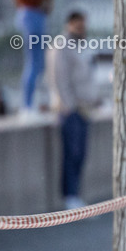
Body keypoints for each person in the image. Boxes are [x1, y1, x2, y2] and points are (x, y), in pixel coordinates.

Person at [7, 0, 77, 115]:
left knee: (39, 63)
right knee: (34, 62)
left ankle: (33, 103)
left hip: (32, 14)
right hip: (32, 15)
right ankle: (27, 105)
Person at [47, 11, 98, 210]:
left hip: (84, 108)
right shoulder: (61, 45)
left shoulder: (82, 45)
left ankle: (75, 194)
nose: (83, 29)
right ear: (70, 24)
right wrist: (66, 105)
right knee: (72, 153)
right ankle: (70, 196)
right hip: (70, 109)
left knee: (80, 154)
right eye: (79, 25)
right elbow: (59, 78)